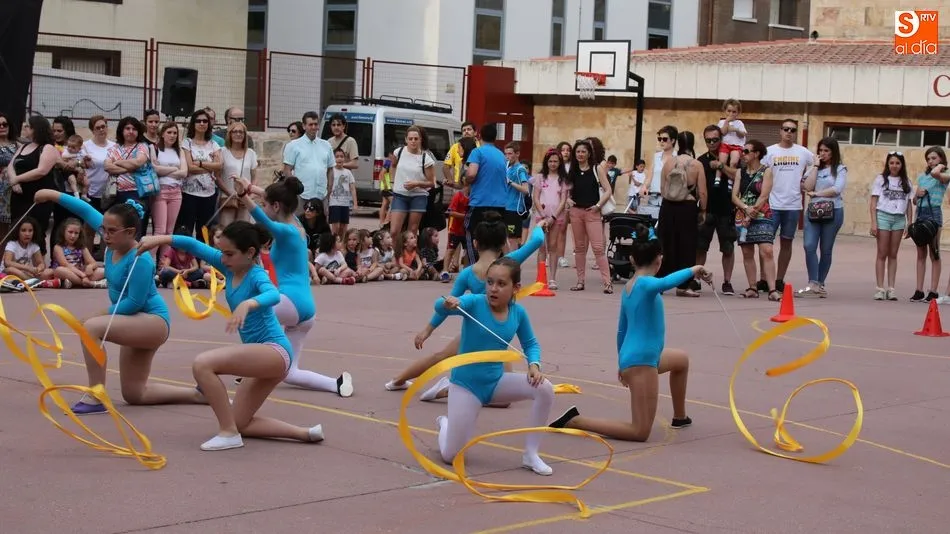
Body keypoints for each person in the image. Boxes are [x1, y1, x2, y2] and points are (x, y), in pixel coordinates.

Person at [138, 222, 325, 451]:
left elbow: (273, 294)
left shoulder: (256, 275)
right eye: (222, 252)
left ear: (250, 253)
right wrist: (157, 240)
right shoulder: (229, 266)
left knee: (203, 364)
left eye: (229, 254)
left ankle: (227, 434)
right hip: (263, 357)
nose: (223, 258)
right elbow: (191, 244)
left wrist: (248, 303)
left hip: (274, 351)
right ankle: (305, 433)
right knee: (240, 422)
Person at [33, 189, 204, 415]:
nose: (105, 235)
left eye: (111, 231)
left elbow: (133, 302)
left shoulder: (141, 259)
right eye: (103, 229)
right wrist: (53, 195)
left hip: (152, 322)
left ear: (130, 232)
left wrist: (97, 315)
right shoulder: (112, 239)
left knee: (91, 328)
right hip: (134, 321)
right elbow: (84, 209)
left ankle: (96, 395)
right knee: (135, 394)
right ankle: (198, 394)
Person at [549, 224, 702, 441]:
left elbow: (621, 330)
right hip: (642, 363)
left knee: (681, 360)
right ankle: (575, 420)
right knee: (639, 432)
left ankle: (680, 416)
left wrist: (621, 362)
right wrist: (694, 269)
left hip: (639, 356)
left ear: (631, 260)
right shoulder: (646, 284)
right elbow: (667, 282)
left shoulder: (630, 286)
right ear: (659, 260)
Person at [386, 213, 547, 399]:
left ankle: (398, 381)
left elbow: (447, 303)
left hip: (489, 334)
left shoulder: (467, 274)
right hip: (484, 333)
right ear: (504, 243)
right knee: (498, 394)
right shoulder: (508, 265)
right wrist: (539, 225)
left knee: (441, 357)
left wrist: (428, 329)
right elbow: (536, 240)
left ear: (476, 244)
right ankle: (447, 388)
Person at [431, 257, 555, 475]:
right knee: (452, 456)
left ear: (516, 288)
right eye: (490, 282)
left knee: (544, 388)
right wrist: (447, 303)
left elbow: (530, 343)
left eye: (501, 284)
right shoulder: (475, 302)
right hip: (466, 386)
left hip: (496, 383)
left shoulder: (518, 313)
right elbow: (440, 308)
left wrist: (534, 365)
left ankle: (531, 454)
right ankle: (446, 424)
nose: (493, 289)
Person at [234, 175, 354, 396]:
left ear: (277, 206)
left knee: (248, 315)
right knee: (288, 372)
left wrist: (243, 196)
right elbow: (271, 202)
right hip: (305, 309)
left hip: (291, 301)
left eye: (265, 203)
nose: (263, 205)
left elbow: (263, 218)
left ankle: (252, 367)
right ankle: (336, 384)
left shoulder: (286, 230)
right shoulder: (295, 224)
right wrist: (251, 187)